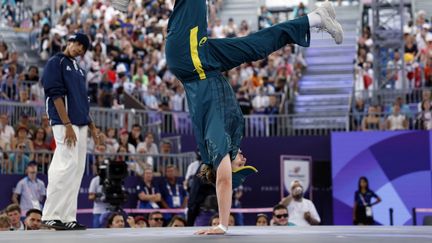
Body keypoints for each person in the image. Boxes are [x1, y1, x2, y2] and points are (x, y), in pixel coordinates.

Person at [113, 0, 342, 235]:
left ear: (226, 168)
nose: (244, 160)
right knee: (258, 46)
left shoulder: (217, 145)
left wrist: (223, 224)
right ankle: (316, 18)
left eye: (240, 166)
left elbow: (223, 182)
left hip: (189, 58)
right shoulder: (226, 139)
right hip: (206, 62)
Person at [40, 32, 100, 230]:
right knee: (65, 164)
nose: (80, 49)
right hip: (64, 121)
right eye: (78, 44)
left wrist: (93, 127)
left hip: (81, 123)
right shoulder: (55, 62)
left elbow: (83, 101)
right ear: (70, 42)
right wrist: (67, 125)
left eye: (83, 48)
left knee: (77, 169)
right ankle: (50, 215)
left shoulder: (79, 70)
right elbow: (54, 93)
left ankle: (67, 216)